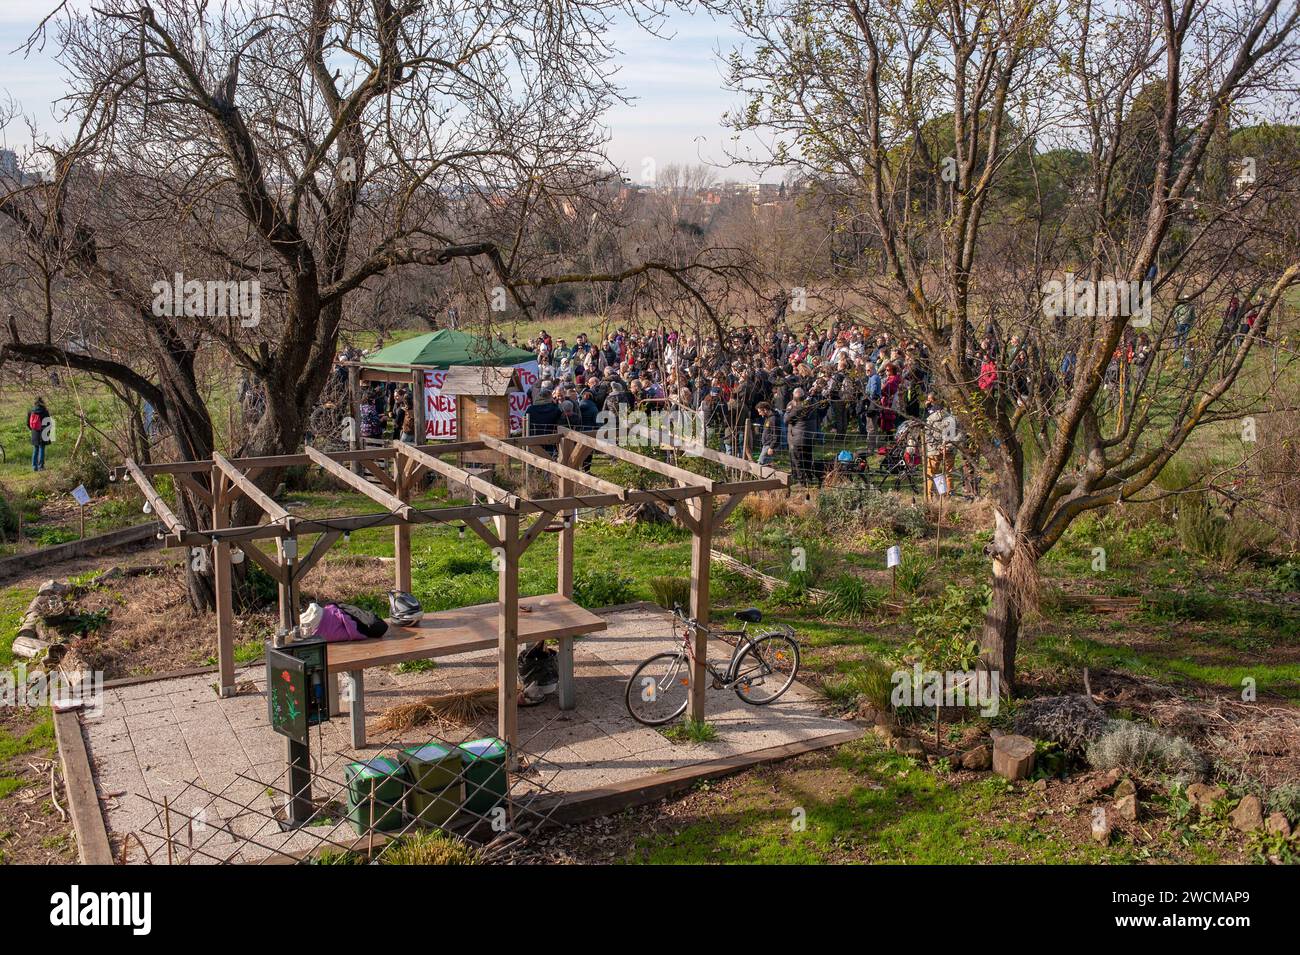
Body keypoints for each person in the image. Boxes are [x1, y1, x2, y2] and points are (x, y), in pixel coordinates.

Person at [27, 397, 50, 472]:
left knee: (35, 449)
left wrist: (33, 430)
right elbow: (48, 423)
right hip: (43, 431)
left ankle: (34, 467)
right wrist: (48, 432)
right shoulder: (45, 411)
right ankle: (41, 467)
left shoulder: (31, 411)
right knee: (42, 448)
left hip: (34, 432)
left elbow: (28, 423)